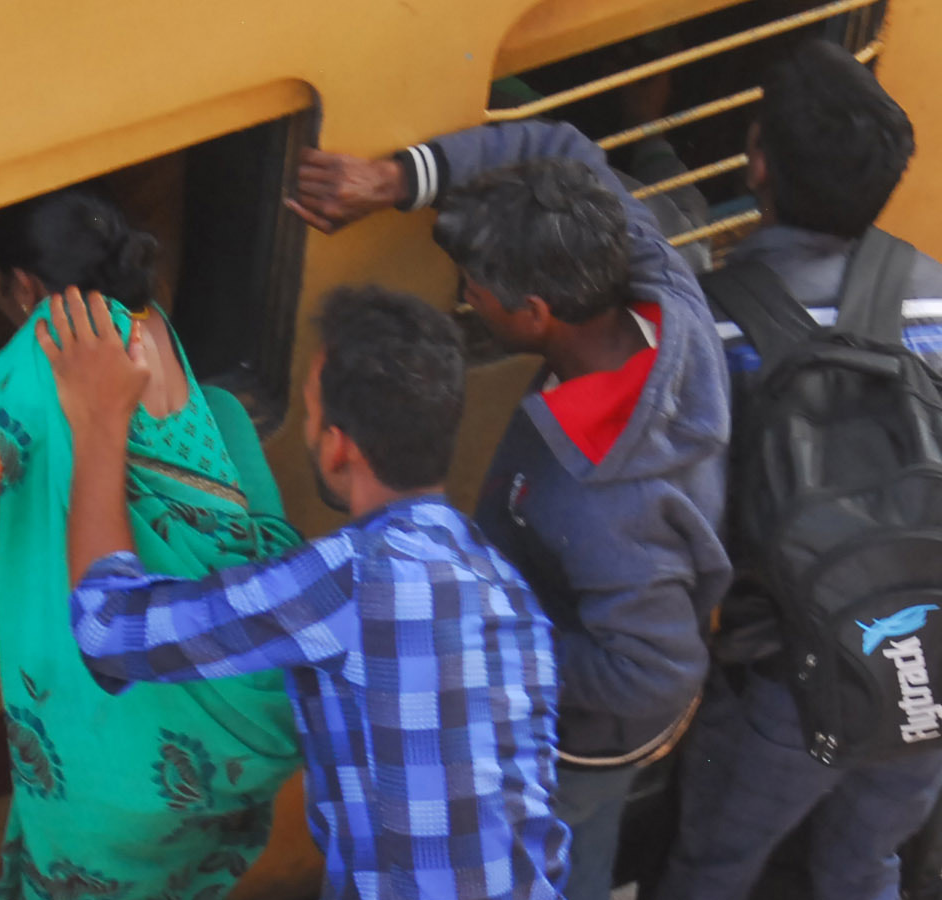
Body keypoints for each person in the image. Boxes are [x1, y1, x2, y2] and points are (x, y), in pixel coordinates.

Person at [287, 118, 732, 900]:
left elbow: (654, 672)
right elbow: (565, 149)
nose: (466, 300)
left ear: (533, 314)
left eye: (477, 293)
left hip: (576, 745)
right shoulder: (650, 278)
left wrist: (480, 643)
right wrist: (396, 180)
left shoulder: (601, 498)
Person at [42, 284, 570, 900]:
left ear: (339, 445)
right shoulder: (506, 593)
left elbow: (108, 632)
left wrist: (100, 422)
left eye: (311, 411)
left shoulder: (352, 579)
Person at [0, 188, 304, 900]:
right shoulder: (150, 323)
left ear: (25, 286)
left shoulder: (51, 343)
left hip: (125, 745)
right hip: (224, 732)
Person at [651, 39, 942, 900]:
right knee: (866, 865)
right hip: (924, 663)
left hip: (780, 684)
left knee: (713, 869)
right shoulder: (935, 293)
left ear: (755, 163)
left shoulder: (711, 327)